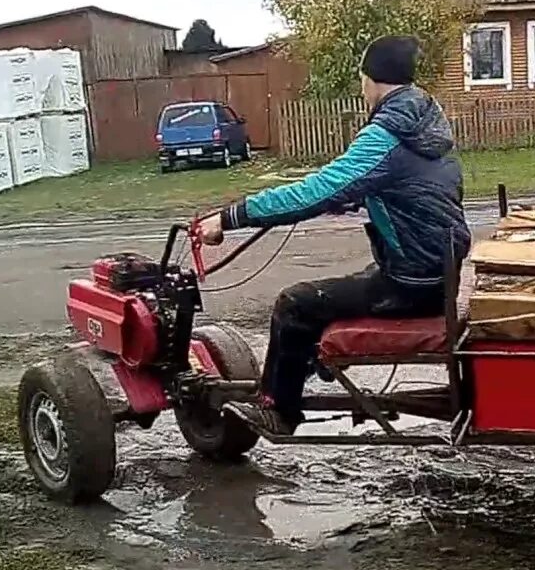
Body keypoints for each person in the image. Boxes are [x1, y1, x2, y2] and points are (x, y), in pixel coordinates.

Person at [197, 35, 470, 435]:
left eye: (362, 81)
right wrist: (362, 198)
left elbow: (317, 190)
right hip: (436, 273)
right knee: (339, 290)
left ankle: (278, 411)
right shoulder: (424, 123)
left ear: (371, 80)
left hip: (411, 282)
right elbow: (414, 192)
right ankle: (307, 362)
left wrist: (230, 217)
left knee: (295, 304)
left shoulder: (386, 134)